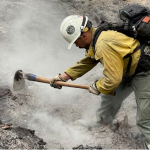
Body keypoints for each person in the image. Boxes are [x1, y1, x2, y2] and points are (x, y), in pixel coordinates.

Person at [50, 15, 150, 148]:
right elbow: (89, 60)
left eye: (75, 41)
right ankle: (102, 122)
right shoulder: (97, 37)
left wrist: (97, 86)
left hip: (145, 71)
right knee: (109, 96)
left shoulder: (103, 44)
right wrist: (64, 77)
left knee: (145, 117)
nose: (75, 45)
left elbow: (113, 79)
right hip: (128, 67)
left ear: (84, 36)